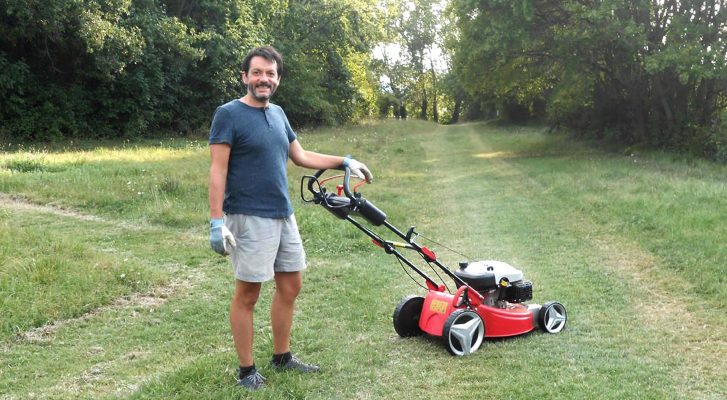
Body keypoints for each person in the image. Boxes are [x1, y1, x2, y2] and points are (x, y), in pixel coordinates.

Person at [207, 46, 373, 391]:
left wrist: (342, 161)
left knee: (291, 285)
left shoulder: (279, 113)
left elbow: (299, 155)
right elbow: (217, 170)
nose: (263, 79)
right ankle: (246, 370)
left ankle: (282, 357)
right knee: (248, 293)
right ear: (245, 77)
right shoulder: (228, 114)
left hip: (284, 215)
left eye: (270, 73)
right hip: (249, 216)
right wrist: (215, 221)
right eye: (257, 73)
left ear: (277, 79)